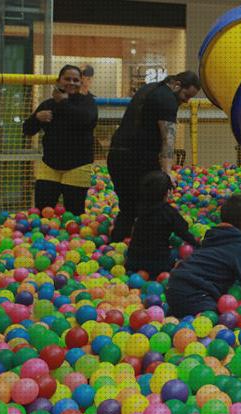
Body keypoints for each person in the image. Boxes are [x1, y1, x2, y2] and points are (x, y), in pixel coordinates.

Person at [107, 71, 201, 242]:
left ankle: (119, 243)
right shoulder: (167, 101)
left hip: (116, 155)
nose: (186, 101)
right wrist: (166, 174)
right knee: (150, 206)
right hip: (137, 159)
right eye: (186, 95)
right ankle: (145, 246)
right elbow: (168, 140)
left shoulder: (149, 88)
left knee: (128, 206)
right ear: (177, 85)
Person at [165, 194, 241, 318]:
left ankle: (174, 315)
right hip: (194, 292)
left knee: (182, 312)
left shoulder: (213, 236)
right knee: (217, 318)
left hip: (174, 285)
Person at [23, 64, 98, 215]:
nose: (71, 82)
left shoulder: (87, 102)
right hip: (50, 165)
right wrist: (36, 118)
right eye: (67, 79)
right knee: (43, 212)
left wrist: (63, 102)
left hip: (77, 166)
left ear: (80, 83)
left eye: (76, 80)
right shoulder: (48, 104)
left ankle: (73, 240)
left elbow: (87, 121)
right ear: (58, 81)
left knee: (74, 213)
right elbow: (27, 130)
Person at [125, 170, 199, 278]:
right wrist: (199, 245)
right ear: (167, 192)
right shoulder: (168, 212)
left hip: (133, 262)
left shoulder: (140, 208)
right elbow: (184, 231)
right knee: (179, 257)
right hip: (159, 265)